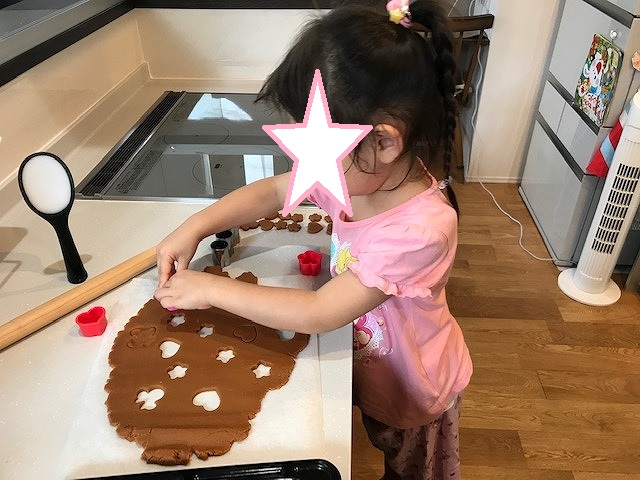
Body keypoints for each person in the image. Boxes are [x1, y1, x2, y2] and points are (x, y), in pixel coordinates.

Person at [154, 1, 472, 478]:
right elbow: (272, 190)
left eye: (318, 148)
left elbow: (320, 312)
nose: (308, 166)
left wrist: (211, 289)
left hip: (414, 389)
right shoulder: (356, 175)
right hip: (369, 364)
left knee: (408, 470)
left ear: (384, 142)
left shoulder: (420, 231)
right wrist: (194, 227)